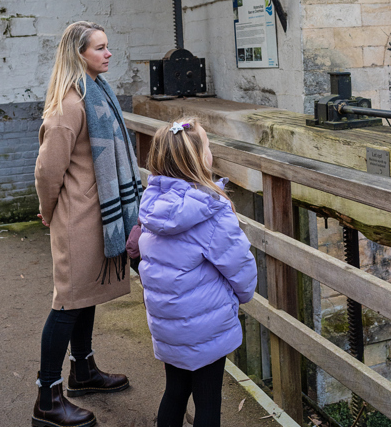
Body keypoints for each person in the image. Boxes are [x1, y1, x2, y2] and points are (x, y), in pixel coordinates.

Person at [33, 21, 143, 427]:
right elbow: (47, 171)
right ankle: (47, 397)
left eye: (107, 46)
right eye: (100, 48)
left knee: (85, 296)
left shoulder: (98, 93)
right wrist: (47, 211)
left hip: (96, 217)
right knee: (66, 303)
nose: (108, 53)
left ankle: (83, 370)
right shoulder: (71, 105)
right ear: (79, 54)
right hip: (77, 219)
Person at [138, 118, 257, 427]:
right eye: (207, 146)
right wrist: (242, 296)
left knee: (175, 392)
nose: (211, 152)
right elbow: (240, 265)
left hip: (168, 325)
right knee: (208, 402)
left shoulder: (153, 206)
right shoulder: (211, 209)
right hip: (205, 327)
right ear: (198, 159)